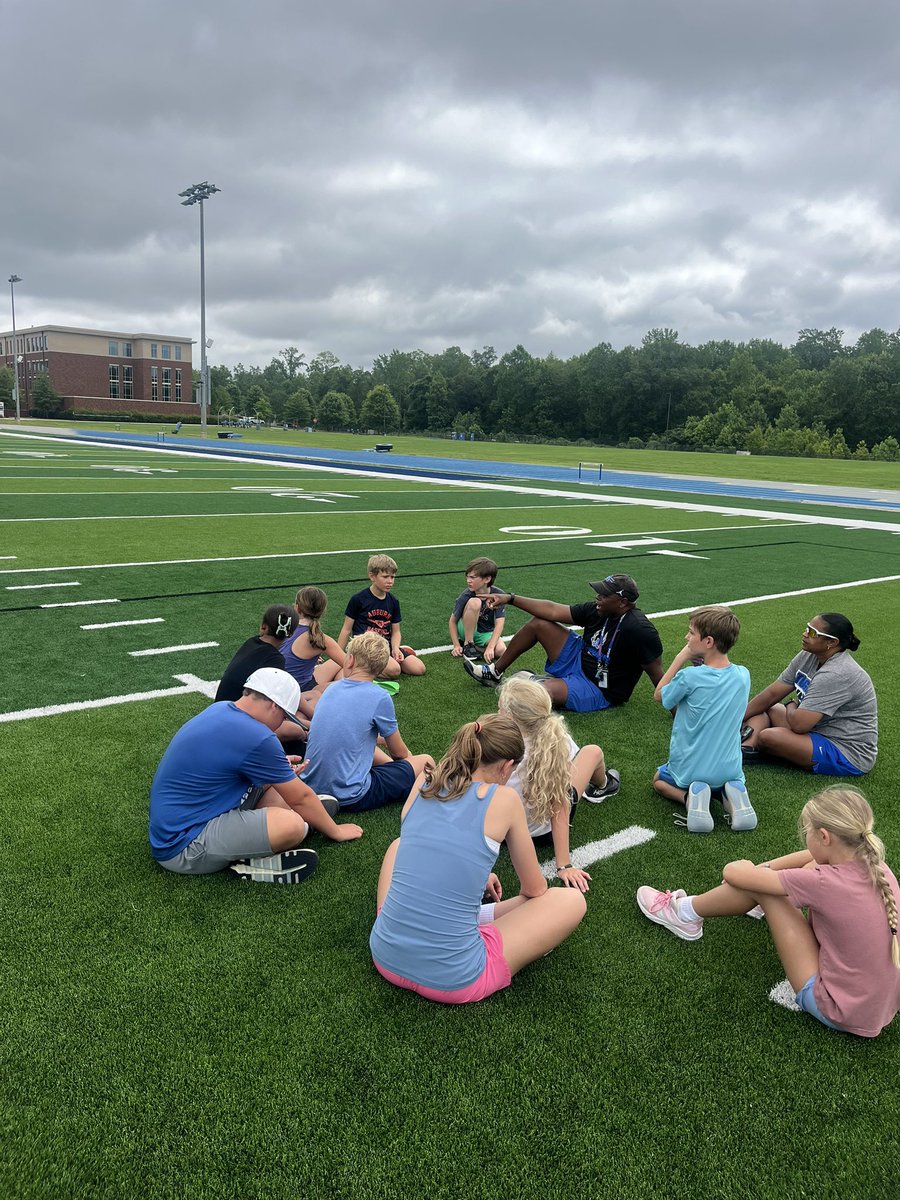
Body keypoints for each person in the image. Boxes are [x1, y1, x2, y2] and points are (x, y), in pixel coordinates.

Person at [636, 786, 900, 1037]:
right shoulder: (878, 867)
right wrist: (761, 872)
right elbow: (809, 858)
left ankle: (684, 914)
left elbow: (732, 872)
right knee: (771, 879)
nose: (805, 834)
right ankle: (748, 902)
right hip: (877, 1010)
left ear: (824, 836)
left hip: (838, 1010)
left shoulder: (823, 882)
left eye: (807, 829)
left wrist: (751, 872)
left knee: (765, 890)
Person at [370, 714, 587, 1004]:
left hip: (386, 955)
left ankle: (468, 916)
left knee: (398, 845)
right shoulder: (504, 800)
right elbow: (535, 891)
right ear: (508, 766)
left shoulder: (426, 778)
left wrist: (477, 875)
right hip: (455, 978)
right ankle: (475, 920)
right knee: (569, 901)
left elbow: (431, 849)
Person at [149, 667, 363, 884]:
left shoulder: (222, 708)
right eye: (284, 716)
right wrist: (336, 831)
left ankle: (305, 820)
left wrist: (275, 772)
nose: (281, 723)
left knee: (279, 788)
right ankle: (267, 851)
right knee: (292, 825)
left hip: (184, 822)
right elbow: (301, 797)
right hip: (184, 846)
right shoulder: (258, 735)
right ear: (274, 706)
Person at [464, 573, 663, 713]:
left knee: (534, 697)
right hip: (580, 657)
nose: (598, 598)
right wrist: (510, 598)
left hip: (597, 687)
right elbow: (551, 610)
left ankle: (535, 681)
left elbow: (657, 675)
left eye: (604, 595)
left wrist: (679, 712)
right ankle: (495, 672)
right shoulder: (598, 608)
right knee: (539, 623)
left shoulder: (640, 630)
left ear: (622, 602)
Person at [498, 674, 620, 893]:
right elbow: (559, 804)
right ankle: (603, 785)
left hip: (506, 834)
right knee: (592, 752)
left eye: (500, 710)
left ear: (510, 717)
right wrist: (563, 864)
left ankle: (603, 785)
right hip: (541, 833)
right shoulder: (557, 739)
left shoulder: (495, 744)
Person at [301, 632, 434, 812]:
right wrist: (407, 765)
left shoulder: (331, 689)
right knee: (425, 761)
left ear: (350, 660)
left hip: (312, 785)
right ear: (380, 670)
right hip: (352, 795)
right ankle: (432, 794)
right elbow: (399, 752)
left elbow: (349, 734)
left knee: (370, 749)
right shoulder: (380, 697)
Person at [652, 606, 754, 834]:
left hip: (691, 769)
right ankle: (730, 794)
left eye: (690, 633)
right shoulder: (743, 675)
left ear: (708, 641)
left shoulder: (689, 676)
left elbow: (660, 695)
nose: (686, 638)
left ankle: (690, 798)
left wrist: (682, 656)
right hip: (730, 768)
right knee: (722, 780)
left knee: (658, 780)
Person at [742, 613, 877, 776]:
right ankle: (747, 748)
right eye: (807, 628)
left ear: (832, 643)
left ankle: (758, 744)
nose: (805, 634)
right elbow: (772, 693)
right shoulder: (809, 654)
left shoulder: (837, 673)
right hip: (817, 728)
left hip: (845, 749)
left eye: (813, 632)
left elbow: (799, 725)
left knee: (768, 736)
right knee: (768, 708)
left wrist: (791, 705)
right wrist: (737, 717)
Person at [338, 554, 426, 679]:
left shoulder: (393, 601)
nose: (390, 581)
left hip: (386, 646)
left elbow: (396, 631)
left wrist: (395, 648)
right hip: (366, 648)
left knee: (419, 668)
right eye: (385, 577)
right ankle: (360, 667)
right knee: (395, 670)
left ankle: (378, 663)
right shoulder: (358, 599)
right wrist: (340, 656)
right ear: (372, 576)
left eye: (392, 577)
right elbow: (346, 629)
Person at [280, 586, 345, 719]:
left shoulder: (284, 627)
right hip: (300, 691)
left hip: (278, 686)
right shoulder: (320, 639)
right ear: (323, 611)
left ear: (297, 608)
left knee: (336, 664)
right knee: (352, 679)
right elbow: (352, 667)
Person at [215, 604, 299, 704]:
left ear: (263, 626)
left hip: (222, 707)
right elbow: (273, 698)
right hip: (237, 712)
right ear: (290, 635)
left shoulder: (251, 642)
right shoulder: (275, 659)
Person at [448, 557, 508, 663]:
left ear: (487, 579)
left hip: (485, 633)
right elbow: (452, 621)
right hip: (467, 629)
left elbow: (500, 624)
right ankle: (467, 644)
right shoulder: (466, 595)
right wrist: (456, 645)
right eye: (467, 577)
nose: (468, 580)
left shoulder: (499, 595)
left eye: (473, 577)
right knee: (475, 602)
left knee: (501, 651)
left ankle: (476, 648)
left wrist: (490, 647)